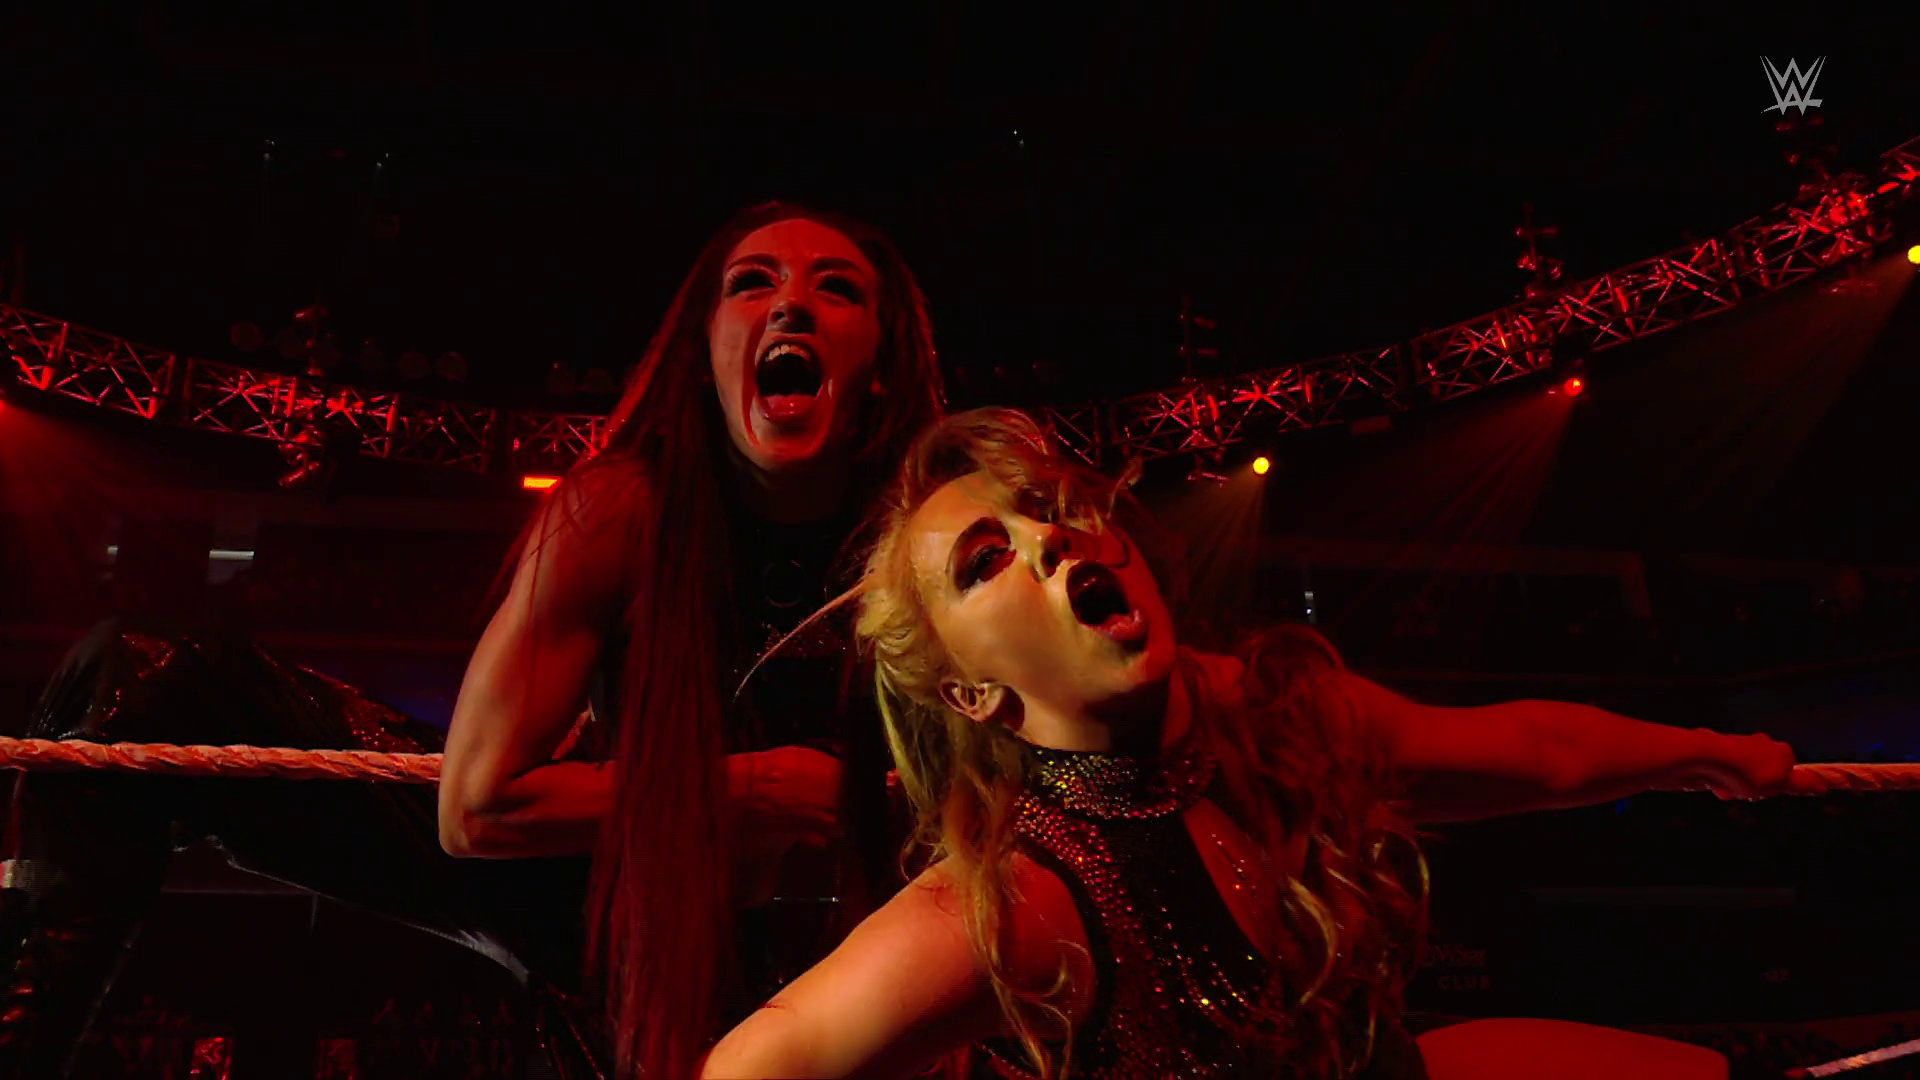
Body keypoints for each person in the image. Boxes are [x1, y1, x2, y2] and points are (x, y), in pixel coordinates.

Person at [0, 201, 945, 1079]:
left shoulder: (935, 531)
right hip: (605, 902)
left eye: (835, 287)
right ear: (705, 353)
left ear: (882, 362)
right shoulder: (622, 510)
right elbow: (476, 808)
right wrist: (748, 789)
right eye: (752, 282)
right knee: (142, 680)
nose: (790, 305)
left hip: (860, 937)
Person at [699, 408, 1807, 1079]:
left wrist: (1708, 753)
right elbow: (753, 1065)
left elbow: (1522, 750)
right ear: (971, 693)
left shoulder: (1254, 719)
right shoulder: (1017, 900)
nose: (1048, 537)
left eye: (1047, 505)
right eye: (984, 561)